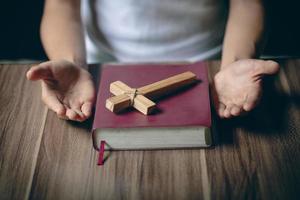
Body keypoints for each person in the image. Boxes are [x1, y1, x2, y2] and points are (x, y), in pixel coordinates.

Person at [26, 0, 279, 122]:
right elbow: (61, 6)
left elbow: (248, 4)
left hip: (211, 66)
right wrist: (70, 62)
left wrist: (235, 62)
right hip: (98, 66)